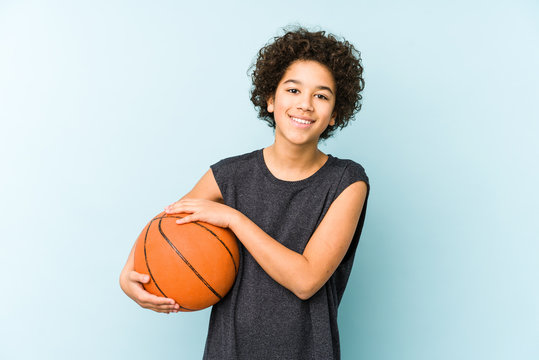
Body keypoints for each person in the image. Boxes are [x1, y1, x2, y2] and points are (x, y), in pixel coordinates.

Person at [120, 26, 370, 360]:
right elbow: (166, 225)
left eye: (321, 96)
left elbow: (306, 280)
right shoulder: (229, 175)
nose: (305, 105)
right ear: (270, 99)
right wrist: (128, 274)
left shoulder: (347, 181)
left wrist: (233, 218)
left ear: (335, 113)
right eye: (293, 90)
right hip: (229, 352)